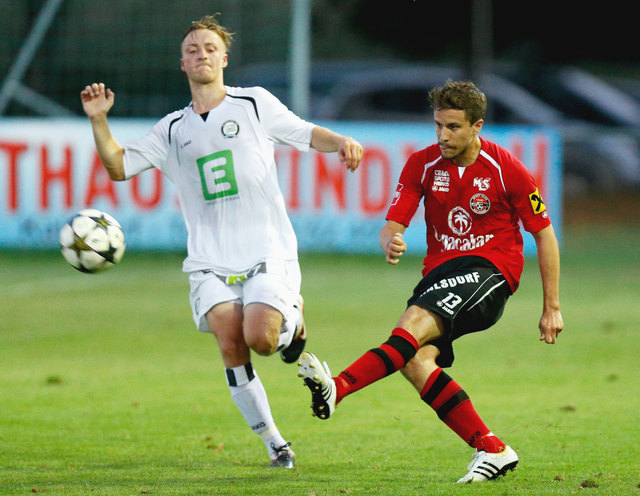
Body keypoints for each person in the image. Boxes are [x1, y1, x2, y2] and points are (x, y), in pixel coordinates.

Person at [80, 13, 363, 469]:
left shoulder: (253, 103)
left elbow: (305, 132)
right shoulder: (172, 130)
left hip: (267, 248)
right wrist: (99, 121)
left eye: (209, 48)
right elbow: (118, 166)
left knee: (262, 339)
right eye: (193, 50)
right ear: (183, 64)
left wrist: (342, 141)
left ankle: (295, 322)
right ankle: (276, 444)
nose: (201, 55)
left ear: (224, 59)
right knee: (231, 343)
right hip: (210, 260)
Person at [298, 80, 563, 483]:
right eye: (438, 125)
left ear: (477, 127)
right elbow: (392, 223)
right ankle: (492, 448)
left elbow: (544, 234)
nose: (443, 135)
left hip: (491, 271)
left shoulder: (506, 168)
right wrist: (392, 241)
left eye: (453, 127)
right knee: (415, 361)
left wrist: (552, 307)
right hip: (439, 275)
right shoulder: (421, 164)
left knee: (409, 328)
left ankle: (338, 387)